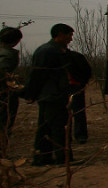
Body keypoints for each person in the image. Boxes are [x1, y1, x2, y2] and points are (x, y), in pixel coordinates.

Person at [24, 24, 76, 166]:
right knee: (58, 127)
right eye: (69, 35)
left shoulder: (54, 50)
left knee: (46, 127)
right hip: (52, 95)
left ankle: (42, 157)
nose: (71, 39)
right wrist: (31, 93)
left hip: (53, 94)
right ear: (59, 34)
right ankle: (62, 159)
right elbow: (37, 74)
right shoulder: (48, 51)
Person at [0, 27, 23, 163]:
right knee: (0, 125)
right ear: (16, 41)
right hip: (0, 95)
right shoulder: (6, 54)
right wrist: (14, 85)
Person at [67, 49, 92, 144]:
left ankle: (80, 135)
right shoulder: (54, 56)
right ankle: (65, 135)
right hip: (59, 89)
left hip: (75, 87)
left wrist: (82, 83)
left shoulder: (76, 56)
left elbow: (87, 71)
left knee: (79, 112)